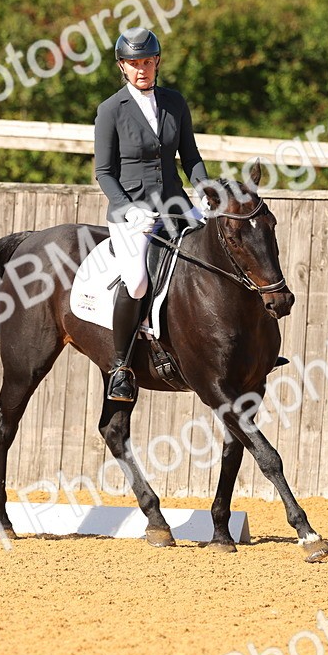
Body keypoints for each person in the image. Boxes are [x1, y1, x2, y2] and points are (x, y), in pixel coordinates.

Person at [93, 27, 210, 402]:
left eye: (147, 61)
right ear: (122, 67)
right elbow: (104, 172)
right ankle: (120, 368)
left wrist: (205, 188)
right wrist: (126, 210)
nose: (141, 69)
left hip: (175, 204)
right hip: (134, 212)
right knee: (138, 281)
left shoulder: (175, 102)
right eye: (133, 63)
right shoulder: (111, 110)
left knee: (221, 250)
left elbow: (189, 157)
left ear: (156, 61)